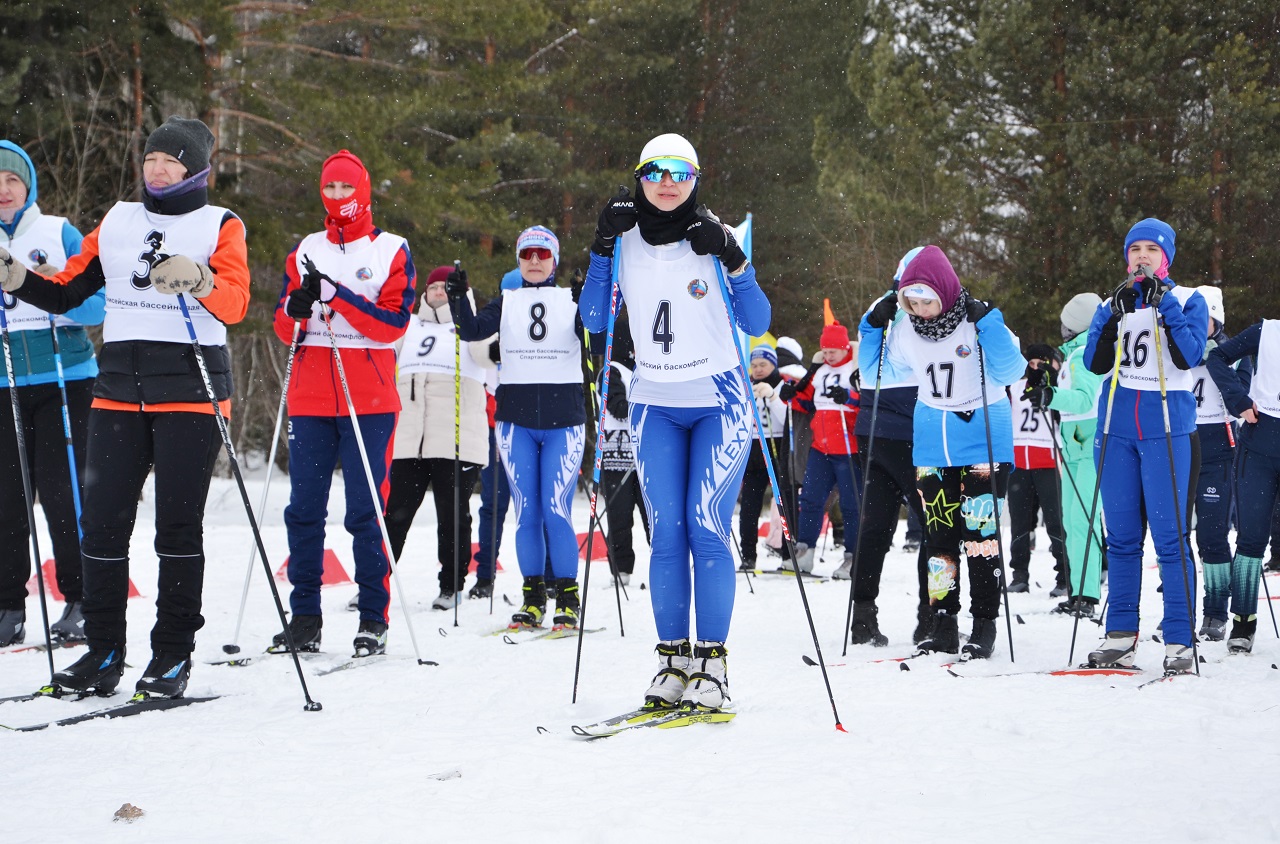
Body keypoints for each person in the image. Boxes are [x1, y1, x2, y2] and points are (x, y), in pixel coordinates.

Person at [0, 116, 250, 697]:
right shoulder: (117, 221)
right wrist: (15, 276)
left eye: (172, 162)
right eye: (151, 160)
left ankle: (171, 655)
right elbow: (66, 289)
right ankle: (104, 651)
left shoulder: (220, 224)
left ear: (195, 170)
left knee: (176, 528)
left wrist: (201, 281)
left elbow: (236, 304)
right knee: (104, 526)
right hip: (117, 392)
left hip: (191, 394)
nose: (158, 170)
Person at [580, 132, 770, 711]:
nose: (667, 182)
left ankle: (712, 665)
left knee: (705, 527)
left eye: (679, 173)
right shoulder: (623, 239)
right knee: (665, 533)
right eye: (655, 171)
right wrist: (597, 246)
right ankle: (672, 661)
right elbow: (592, 316)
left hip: (718, 400)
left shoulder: (715, 237)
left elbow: (757, 318)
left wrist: (734, 258)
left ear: (695, 180)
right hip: (653, 401)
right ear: (639, 177)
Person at [269, 149, 416, 658]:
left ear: (364, 191)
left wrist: (339, 297)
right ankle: (305, 617)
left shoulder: (390, 249)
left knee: (365, 510)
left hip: (369, 397)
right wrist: (297, 307)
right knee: (303, 510)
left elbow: (393, 325)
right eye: (329, 189)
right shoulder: (306, 248)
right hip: (310, 395)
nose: (337, 198)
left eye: (345, 189)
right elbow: (284, 324)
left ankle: (372, 617)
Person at [860, 245, 1024, 659]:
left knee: (981, 538)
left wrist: (990, 322)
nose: (921, 310)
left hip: (984, 435)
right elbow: (872, 374)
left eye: (927, 300)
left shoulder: (974, 321)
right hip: (933, 440)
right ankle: (943, 622)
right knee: (939, 539)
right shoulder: (906, 329)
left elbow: (1011, 371)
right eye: (911, 302)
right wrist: (871, 327)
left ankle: (984, 623)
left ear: (946, 292)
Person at [1082, 218, 1207, 673]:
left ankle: (1179, 639)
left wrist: (1165, 306)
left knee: (1171, 539)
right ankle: (1119, 634)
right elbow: (1095, 362)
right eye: (1135, 249)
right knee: (1121, 539)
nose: (1142, 257)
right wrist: (1113, 315)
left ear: (1166, 258)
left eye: (1151, 250)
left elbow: (1189, 356)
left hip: (1166, 430)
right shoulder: (1114, 300)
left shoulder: (1188, 299)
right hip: (1115, 431)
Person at [450, 225, 586, 630]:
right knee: (527, 510)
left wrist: (590, 303)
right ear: (517, 259)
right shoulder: (505, 301)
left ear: (554, 261)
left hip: (564, 420)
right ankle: (532, 598)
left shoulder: (568, 298)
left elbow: (596, 339)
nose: (534, 261)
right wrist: (459, 298)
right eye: (526, 254)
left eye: (542, 255)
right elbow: (472, 330)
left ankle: (566, 596)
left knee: (556, 509)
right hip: (515, 421)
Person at [0, 140, 102, 647]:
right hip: (5, 382)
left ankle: (82, 599)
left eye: (11, 180)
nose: (3, 191)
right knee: (7, 499)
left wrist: (48, 291)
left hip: (65, 378)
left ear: (28, 185)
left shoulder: (56, 231)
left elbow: (97, 303)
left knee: (66, 494)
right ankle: (7, 605)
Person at [383, 266, 493, 610]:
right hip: (409, 439)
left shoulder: (472, 326)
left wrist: (466, 309)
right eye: (432, 287)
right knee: (395, 515)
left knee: (453, 516)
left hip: (456, 439)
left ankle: (451, 585)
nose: (438, 292)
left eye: (446, 288)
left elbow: (488, 352)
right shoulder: (408, 326)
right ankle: (376, 583)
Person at [845, 249, 932, 648]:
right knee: (935, 528)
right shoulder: (907, 310)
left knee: (876, 525)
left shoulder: (883, 308)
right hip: (906, 428)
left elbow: (864, 364)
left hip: (877, 429)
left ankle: (864, 616)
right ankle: (930, 619)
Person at [1025, 293, 1107, 610]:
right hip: (1073, 446)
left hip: (1090, 445)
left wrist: (1050, 396)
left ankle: (1087, 594)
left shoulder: (1087, 353)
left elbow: (1085, 400)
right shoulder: (1075, 355)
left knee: (1083, 520)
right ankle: (1078, 589)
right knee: (1071, 521)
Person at [1207, 312, 1279, 653]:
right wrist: (1239, 400)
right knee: (1251, 538)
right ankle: (1243, 623)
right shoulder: (1266, 331)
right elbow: (1217, 357)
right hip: (1261, 444)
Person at [1189, 287, 1250, 641]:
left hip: (1217, 453)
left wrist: (1216, 362)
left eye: (1204, 318)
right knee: (1176, 536)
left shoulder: (1237, 354)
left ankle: (1215, 612)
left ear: (1217, 320)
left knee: (1212, 536)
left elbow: (1239, 401)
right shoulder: (1177, 351)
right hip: (1180, 447)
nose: (1198, 324)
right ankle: (1178, 612)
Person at [780, 322, 860, 575]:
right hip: (821, 448)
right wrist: (790, 395)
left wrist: (849, 398)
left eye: (832, 351)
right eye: (824, 351)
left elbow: (868, 403)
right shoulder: (819, 371)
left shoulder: (855, 368)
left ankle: (853, 556)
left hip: (848, 448)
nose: (828, 356)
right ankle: (804, 550)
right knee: (811, 499)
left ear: (844, 348)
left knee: (851, 504)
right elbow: (807, 401)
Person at [1007, 345, 1070, 603]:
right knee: (1020, 523)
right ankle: (1019, 575)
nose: (1036, 369)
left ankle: (1064, 576)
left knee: (1056, 522)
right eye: (1031, 364)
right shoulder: (1015, 388)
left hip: (1047, 461)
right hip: (1019, 463)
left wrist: (1051, 390)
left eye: (1041, 364)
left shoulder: (1058, 391)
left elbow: (1063, 418)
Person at [598, 314, 650, 585]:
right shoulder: (612, 371)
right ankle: (621, 569)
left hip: (645, 455)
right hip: (616, 457)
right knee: (619, 516)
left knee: (653, 513)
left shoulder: (646, 370)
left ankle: (665, 562)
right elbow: (617, 407)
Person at [737, 340, 789, 571]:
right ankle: (748, 555)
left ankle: (788, 554)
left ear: (774, 365)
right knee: (749, 506)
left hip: (776, 446)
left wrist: (772, 398)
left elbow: (786, 419)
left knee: (783, 503)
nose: (758, 369)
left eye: (763, 364)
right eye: (754, 365)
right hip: (753, 448)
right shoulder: (746, 386)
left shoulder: (781, 386)